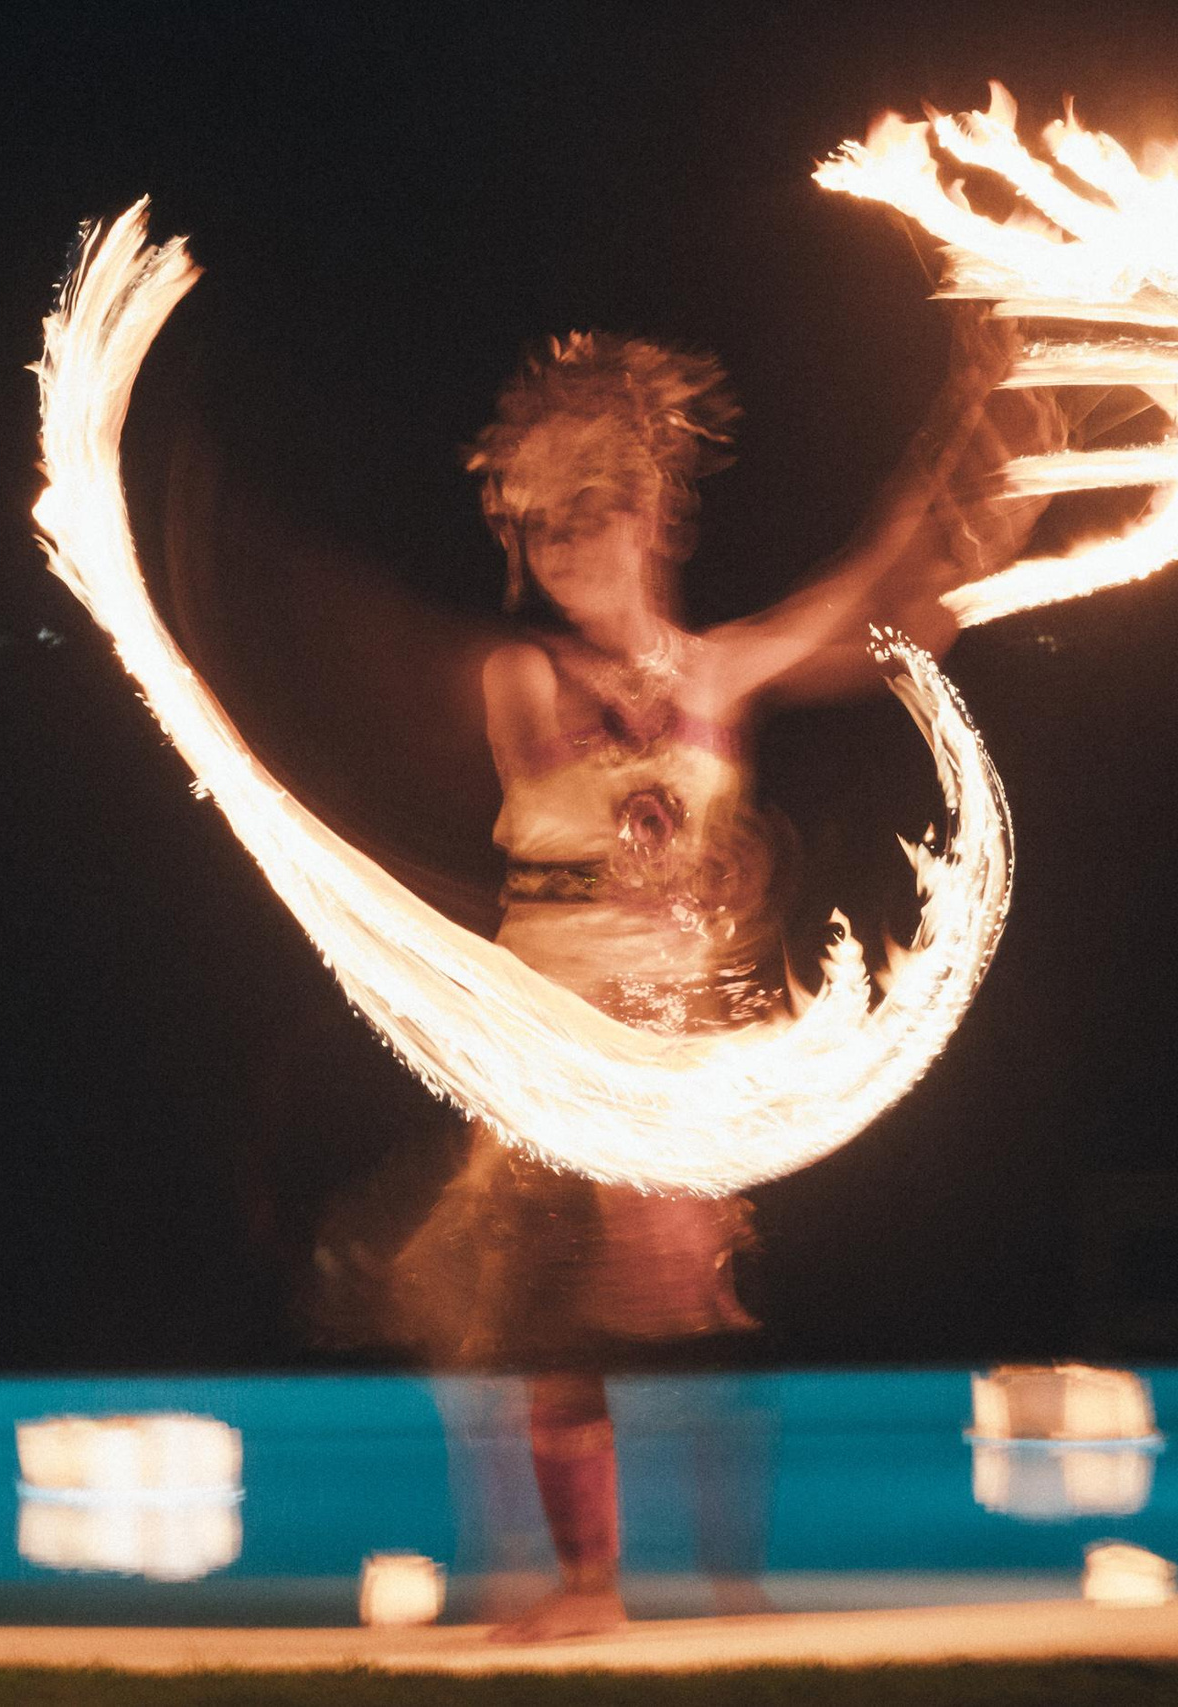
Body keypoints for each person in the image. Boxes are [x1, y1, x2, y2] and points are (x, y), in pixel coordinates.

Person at [379, 326, 1045, 1641]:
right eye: (543, 528)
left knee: (695, 1333)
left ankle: (733, 1587)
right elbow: (595, 808)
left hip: (677, 1047)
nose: (566, 549)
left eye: (591, 516)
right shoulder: (525, 676)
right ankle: (582, 1587)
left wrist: (983, 416)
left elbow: (882, 599)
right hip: (557, 1040)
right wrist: (702, 862)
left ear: (651, 515)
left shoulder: (723, 669)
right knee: (541, 1325)